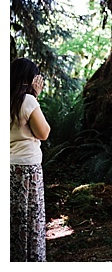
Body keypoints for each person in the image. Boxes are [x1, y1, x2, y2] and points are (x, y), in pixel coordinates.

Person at [10, 58, 50, 261]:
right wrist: (35, 96)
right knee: (30, 218)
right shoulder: (28, 101)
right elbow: (43, 133)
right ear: (28, 78)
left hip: (9, 166)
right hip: (27, 168)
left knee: (13, 218)